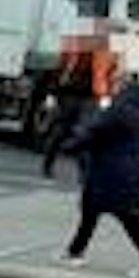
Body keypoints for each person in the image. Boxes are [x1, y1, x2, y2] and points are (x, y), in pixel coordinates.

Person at [63, 58, 139, 276]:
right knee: (92, 211)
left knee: (126, 217)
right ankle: (74, 252)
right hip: (134, 169)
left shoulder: (119, 109)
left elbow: (94, 130)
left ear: (120, 83)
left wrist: (71, 145)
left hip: (110, 170)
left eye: (113, 81)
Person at [42, 29, 108, 178]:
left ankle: (84, 173)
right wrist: (52, 93)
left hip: (91, 96)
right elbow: (58, 68)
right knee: (60, 131)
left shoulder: (104, 50)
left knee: (84, 133)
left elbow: (109, 72)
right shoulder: (72, 46)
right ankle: (48, 164)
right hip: (69, 94)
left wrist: (106, 94)